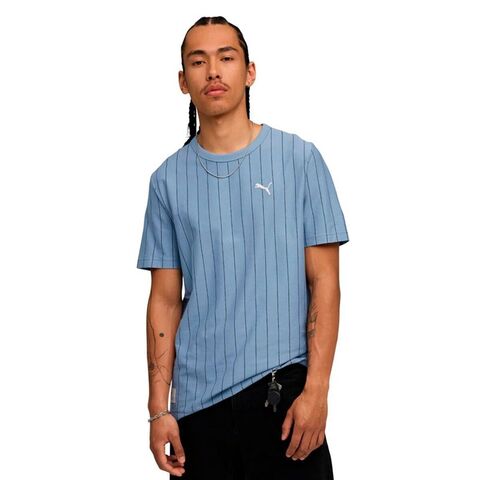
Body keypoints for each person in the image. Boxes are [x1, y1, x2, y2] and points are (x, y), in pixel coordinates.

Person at [136, 16, 350, 479]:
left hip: (283, 397)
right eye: (198, 61)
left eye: (226, 57)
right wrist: (158, 410)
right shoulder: (166, 182)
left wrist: (317, 391)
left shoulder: (299, 159)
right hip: (198, 412)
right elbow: (164, 301)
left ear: (249, 71)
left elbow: (325, 282)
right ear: (183, 81)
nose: (213, 71)